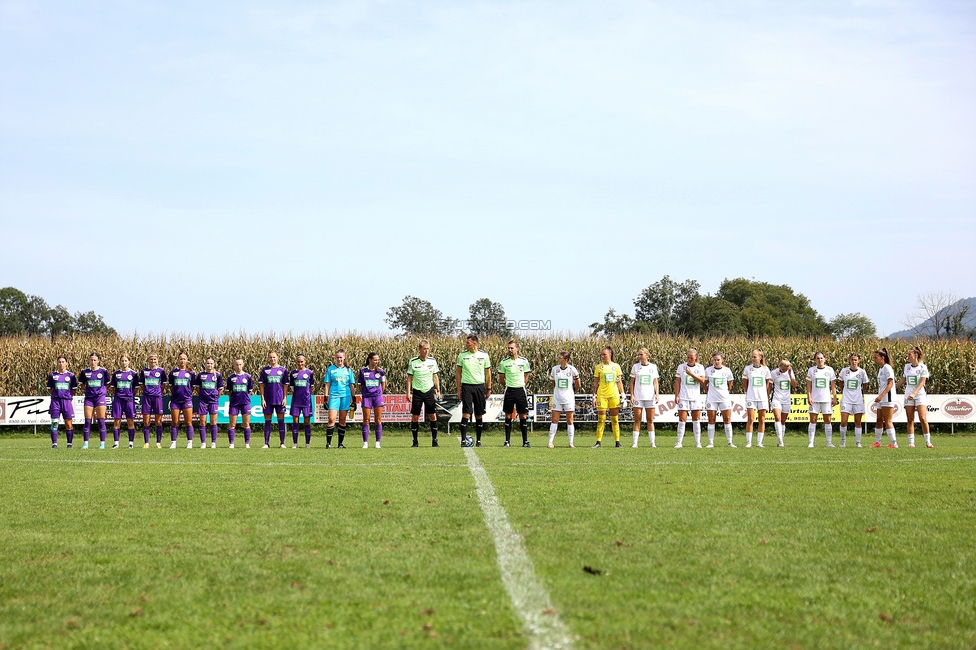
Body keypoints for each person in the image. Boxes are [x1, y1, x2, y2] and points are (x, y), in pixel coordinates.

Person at [456, 334, 492, 447]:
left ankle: (479, 441)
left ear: (474, 343)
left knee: (479, 414)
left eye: (468, 342)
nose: (466, 344)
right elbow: (458, 373)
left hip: (479, 387)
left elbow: (488, 373)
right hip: (466, 386)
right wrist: (459, 389)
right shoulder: (462, 356)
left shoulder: (484, 355)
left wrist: (488, 388)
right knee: (466, 413)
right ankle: (463, 440)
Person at [497, 339, 532, 447]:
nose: (510, 350)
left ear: (517, 349)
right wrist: (508, 386)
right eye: (508, 348)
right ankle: (507, 441)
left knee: (523, 415)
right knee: (508, 415)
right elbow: (501, 379)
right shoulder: (504, 362)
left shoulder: (524, 361)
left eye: (512, 348)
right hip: (509, 390)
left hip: (520, 390)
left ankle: (525, 441)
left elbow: (526, 377)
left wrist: (520, 384)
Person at [406, 340, 440, 447]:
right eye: (424, 348)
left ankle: (434, 440)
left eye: (428, 349)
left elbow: (435, 377)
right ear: (420, 349)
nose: (426, 351)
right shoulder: (413, 361)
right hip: (417, 392)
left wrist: (438, 390)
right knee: (415, 416)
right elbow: (409, 379)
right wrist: (408, 392)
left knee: (432, 416)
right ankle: (415, 441)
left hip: (429, 391)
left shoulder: (432, 361)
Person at [897, 345, 932, 448]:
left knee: (922, 418)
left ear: (916, 355)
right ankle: (911, 443)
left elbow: (922, 382)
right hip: (908, 395)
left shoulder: (923, 367)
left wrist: (914, 393)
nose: (907, 356)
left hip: (920, 394)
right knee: (910, 419)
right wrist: (894, 386)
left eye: (909, 354)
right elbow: (904, 379)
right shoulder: (907, 366)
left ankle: (928, 442)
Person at [592, 346, 625, 448]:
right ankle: (598, 442)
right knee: (601, 419)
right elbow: (595, 383)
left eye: (604, 354)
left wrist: (622, 394)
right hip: (602, 395)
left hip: (614, 395)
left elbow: (619, 382)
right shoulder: (599, 367)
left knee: (614, 419)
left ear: (610, 355)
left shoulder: (616, 366)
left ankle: (617, 442)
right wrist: (594, 396)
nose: (602, 356)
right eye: (601, 354)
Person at [324, 349, 357, 449]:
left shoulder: (348, 370)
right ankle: (328, 443)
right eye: (337, 357)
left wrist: (354, 399)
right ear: (335, 358)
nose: (339, 359)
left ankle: (340, 444)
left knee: (342, 420)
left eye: (341, 357)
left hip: (345, 397)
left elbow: (351, 385)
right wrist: (325, 398)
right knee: (331, 419)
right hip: (334, 396)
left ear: (344, 358)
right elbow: (327, 384)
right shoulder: (330, 369)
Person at [674, 348, 706, 449]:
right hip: (683, 396)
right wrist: (677, 395)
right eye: (688, 357)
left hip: (695, 397)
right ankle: (679, 442)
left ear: (696, 357)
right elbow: (678, 382)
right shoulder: (681, 367)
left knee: (696, 420)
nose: (689, 359)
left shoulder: (700, 367)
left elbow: (702, 380)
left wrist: (691, 374)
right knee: (682, 419)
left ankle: (698, 442)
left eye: (691, 357)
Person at [548, 351, 580, 448]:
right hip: (557, 398)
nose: (558, 359)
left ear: (566, 359)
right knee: (554, 420)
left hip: (569, 398)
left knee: (570, 420)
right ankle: (550, 442)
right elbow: (553, 383)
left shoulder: (572, 370)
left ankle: (571, 443)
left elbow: (578, 384)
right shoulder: (554, 369)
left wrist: (573, 391)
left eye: (560, 357)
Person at [629, 348, 660, 448]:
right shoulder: (635, 366)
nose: (639, 356)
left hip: (650, 397)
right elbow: (632, 382)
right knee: (637, 419)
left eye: (641, 354)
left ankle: (652, 442)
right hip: (638, 396)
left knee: (650, 420)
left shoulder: (653, 367)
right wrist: (632, 395)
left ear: (647, 355)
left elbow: (655, 381)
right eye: (638, 355)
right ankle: (635, 443)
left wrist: (657, 394)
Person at [805, 352, 837, 448]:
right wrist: (809, 396)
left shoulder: (830, 370)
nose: (820, 360)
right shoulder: (811, 370)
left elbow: (833, 385)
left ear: (825, 359)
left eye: (821, 358)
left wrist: (834, 397)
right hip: (814, 399)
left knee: (827, 420)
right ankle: (811, 443)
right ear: (815, 360)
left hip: (826, 399)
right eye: (818, 358)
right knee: (813, 420)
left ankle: (829, 443)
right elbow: (809, 385)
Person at [79, 352, 110, 449]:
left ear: (98, 361)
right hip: (89, 398)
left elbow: (108, 383)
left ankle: (102, 444)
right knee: (88, 421)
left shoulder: (103, 371)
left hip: (100, 398)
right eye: (91, 360)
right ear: (89, 360)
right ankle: (86, 443)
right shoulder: (85, 372)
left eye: (95, 360)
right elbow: (82, 384)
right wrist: (88, 390)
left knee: (101, 421)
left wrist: (103, 390)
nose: (93, 362)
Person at [741, 349, 772, 448]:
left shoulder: (765, 369)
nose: (753, 359)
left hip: (762, 398)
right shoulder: (747, 369)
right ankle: (748, 442)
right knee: (750, 419)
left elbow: (767, 385)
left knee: (762, 420)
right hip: (751, 397)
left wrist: (766, 396)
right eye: (752, 357)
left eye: (755, 357)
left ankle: (759, 442)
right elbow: (745, 384)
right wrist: (750, 392)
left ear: (760, 357)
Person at [704, 353, 736, 448]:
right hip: (712, 399)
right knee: (711, 420)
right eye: (715, 360)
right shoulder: (708, 370)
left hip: (724, 399)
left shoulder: (727, 370)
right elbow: (704, 383)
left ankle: (730, 442)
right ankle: (710, 443)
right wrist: (708, 392)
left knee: (727, 419)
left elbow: (730, 384)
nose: (716, 361)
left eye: (718, 360)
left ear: (722, 360)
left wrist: (726, 392)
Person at [838, 353, 869, 448]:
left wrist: (859, 391)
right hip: (846, 400)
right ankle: (843, 441)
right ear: (849, 360)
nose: (854, 361)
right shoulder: (844, 371)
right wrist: (845, 390)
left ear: (858, 361)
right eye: (852, 359)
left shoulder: (862, 372)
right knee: (843, 421)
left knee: (858, 422)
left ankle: (858, 442)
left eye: (855, 360)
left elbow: (865, 384)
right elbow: (840, 382)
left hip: (858, 400)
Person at [258, 351, 288, 448]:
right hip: (268, 399)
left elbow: (285, 385)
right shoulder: (265, 370)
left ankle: (282, 443)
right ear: (268, 358)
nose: (272, 359)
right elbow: (261, 385)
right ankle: (266, 443)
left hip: (279, 400)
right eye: (270, 357)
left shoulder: (283, 370)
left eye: (274, 357)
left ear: (277, 358)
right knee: (267, 421)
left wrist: (284, 398)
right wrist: (262, 399)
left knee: (281, 421)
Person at [47, 355, 77, 449]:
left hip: (67, 402)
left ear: (66, 363)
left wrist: (66, 396)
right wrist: (57, 394)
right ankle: (54, 444)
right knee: (55, 423)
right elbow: (50, 389)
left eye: (63, 362)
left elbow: (74, 390)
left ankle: (69, 444)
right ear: (57, 363)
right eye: (59, 362)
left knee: (68, 424)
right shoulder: (52, 375)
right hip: (55, 401)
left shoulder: (71, 376)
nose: (61, 364)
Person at [110, 354, 138, 449]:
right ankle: (116, 443)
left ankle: (131, 443)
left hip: (129, 400)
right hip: (118, 400)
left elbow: (136, 388)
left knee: (130, 421)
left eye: (126, 360)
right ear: (120, 362)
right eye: (122, 360)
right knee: (117, 421)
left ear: (129, 362)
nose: (124, 362)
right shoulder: (116, 374)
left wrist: (129, 395)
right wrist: (119, 395)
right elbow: (113, 388)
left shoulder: (133, 374)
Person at [194, 357, 223, 448]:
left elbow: (221, 389)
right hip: (203, 401)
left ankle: (213, 443)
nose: (209, 365)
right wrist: (203, 395)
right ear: (205, 364)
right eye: (208, 363)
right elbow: (197, 387)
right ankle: (203, 443)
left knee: (213, 421)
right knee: (202, 422)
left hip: (213, 401)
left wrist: (215, 397)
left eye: (211, 363)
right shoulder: (201, 375)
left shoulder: (217, 375)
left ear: (214, 364)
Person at [168, 353, 196, 449]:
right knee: (175, 422)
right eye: (181, 359)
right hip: (175, 401)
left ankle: (189, 442)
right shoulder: (173, 373)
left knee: (188, 422)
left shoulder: (191, 373)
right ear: (178, 360)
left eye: (184, 359)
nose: (182, 361)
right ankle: (173, 442)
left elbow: (192, 387)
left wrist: (187, 393)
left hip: (187, 400)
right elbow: (171, 386)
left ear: (187, 360)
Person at [359, 352, 386, 449]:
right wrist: (367, 393)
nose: (376, 361)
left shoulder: (381, 371)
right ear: (370, 360)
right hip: (367, 398)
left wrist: (378, 393)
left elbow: (383, 385)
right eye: (375, 360)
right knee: (366, 420)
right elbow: (360, 386)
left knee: (378, 419)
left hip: (377, 397)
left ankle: (377, 442)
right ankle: (365, 442)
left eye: (377, 360)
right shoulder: (363, 371)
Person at [872, 348, 898, 448]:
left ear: (882, 358)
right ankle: (877, 442)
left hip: (887, 397)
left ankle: (894, 443)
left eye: (876, 357)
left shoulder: (887, 367)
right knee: (879, 419)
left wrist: (882, 395)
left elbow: (890, 383)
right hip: (882, 398)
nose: (874, 359)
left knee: (888, 421)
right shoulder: (881, 368)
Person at [287, 354, 315, 448]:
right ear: (296, 362)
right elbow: (292, 387)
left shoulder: (310, 373)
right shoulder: (293, 373)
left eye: (302, 361)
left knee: (307, 422)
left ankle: (307, 443)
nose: (300, 363)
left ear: (305, 362)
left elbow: (311, 387)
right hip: (296, 401)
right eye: (298, 362)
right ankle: (295, 443)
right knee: (295, 422)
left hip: (306, 401)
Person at [140, 354, 167, 449]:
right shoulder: (144, 371)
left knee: (158, 421)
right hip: (147, 398)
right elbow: (142, 385)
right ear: (148, 360)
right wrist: (147, 391)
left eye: (154, 359)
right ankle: (146, 443)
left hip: (157, 397)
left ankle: (158, 443)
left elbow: (163, 385)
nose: (153, 361)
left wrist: (158, 391)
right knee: (146, 421)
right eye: (151, 359)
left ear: (157, 360)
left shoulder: (161, 371)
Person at [769, 360, 797, 447]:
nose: (785, 370)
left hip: (786, 400)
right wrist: (767, 397)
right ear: (780, 366)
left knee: (783, 421)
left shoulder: (790, 372)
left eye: (787, 368)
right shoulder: (773, 373)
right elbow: (769, 386)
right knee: (777, 418)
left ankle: (780, 439)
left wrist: (790, 375)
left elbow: (795, 385)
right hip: (776, 399)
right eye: (783, 368)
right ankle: (781, 441)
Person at [227, 358, 254, 449]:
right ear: (234, 365)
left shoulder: (248, 377)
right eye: (236, 365)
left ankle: (247, 444)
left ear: (243, 365)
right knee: (232, 424)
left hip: (245, 403)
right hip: (234, 404)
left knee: (246, 424)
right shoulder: (230, 378)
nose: (238, 366)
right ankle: (231, 444)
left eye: (240, 364)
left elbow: (249, 391)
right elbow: (229, 391)